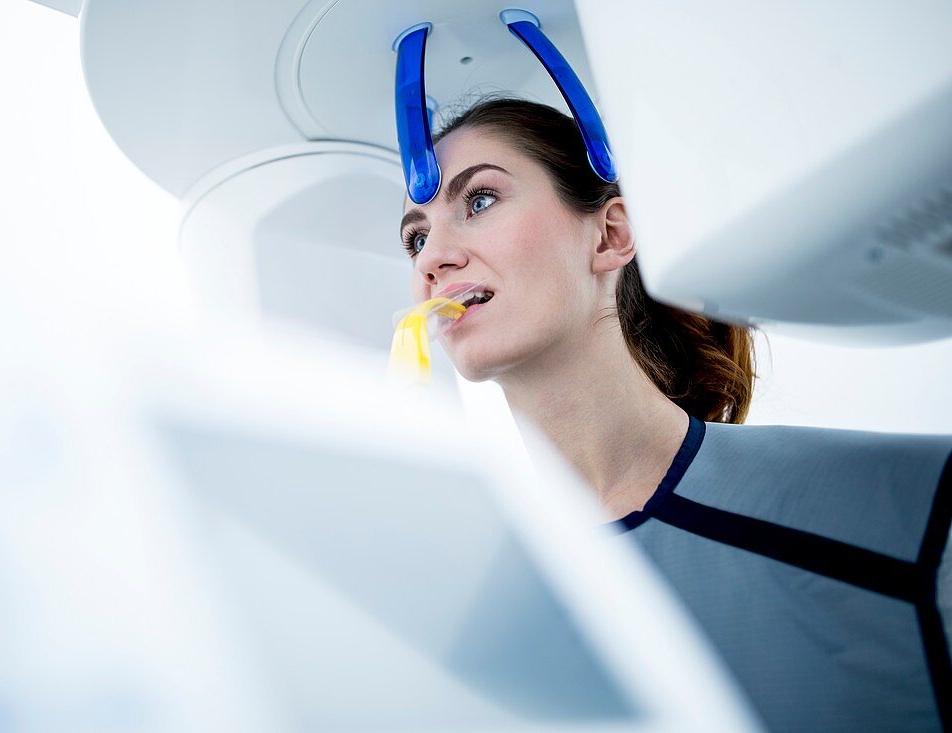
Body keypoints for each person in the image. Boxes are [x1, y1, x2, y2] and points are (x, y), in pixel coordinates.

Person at [398, 98, 952, 732]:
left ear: (610, 235)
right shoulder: (464, 635)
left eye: (479, 201)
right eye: (415, 236)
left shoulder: (912, 510)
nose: (431, 258)